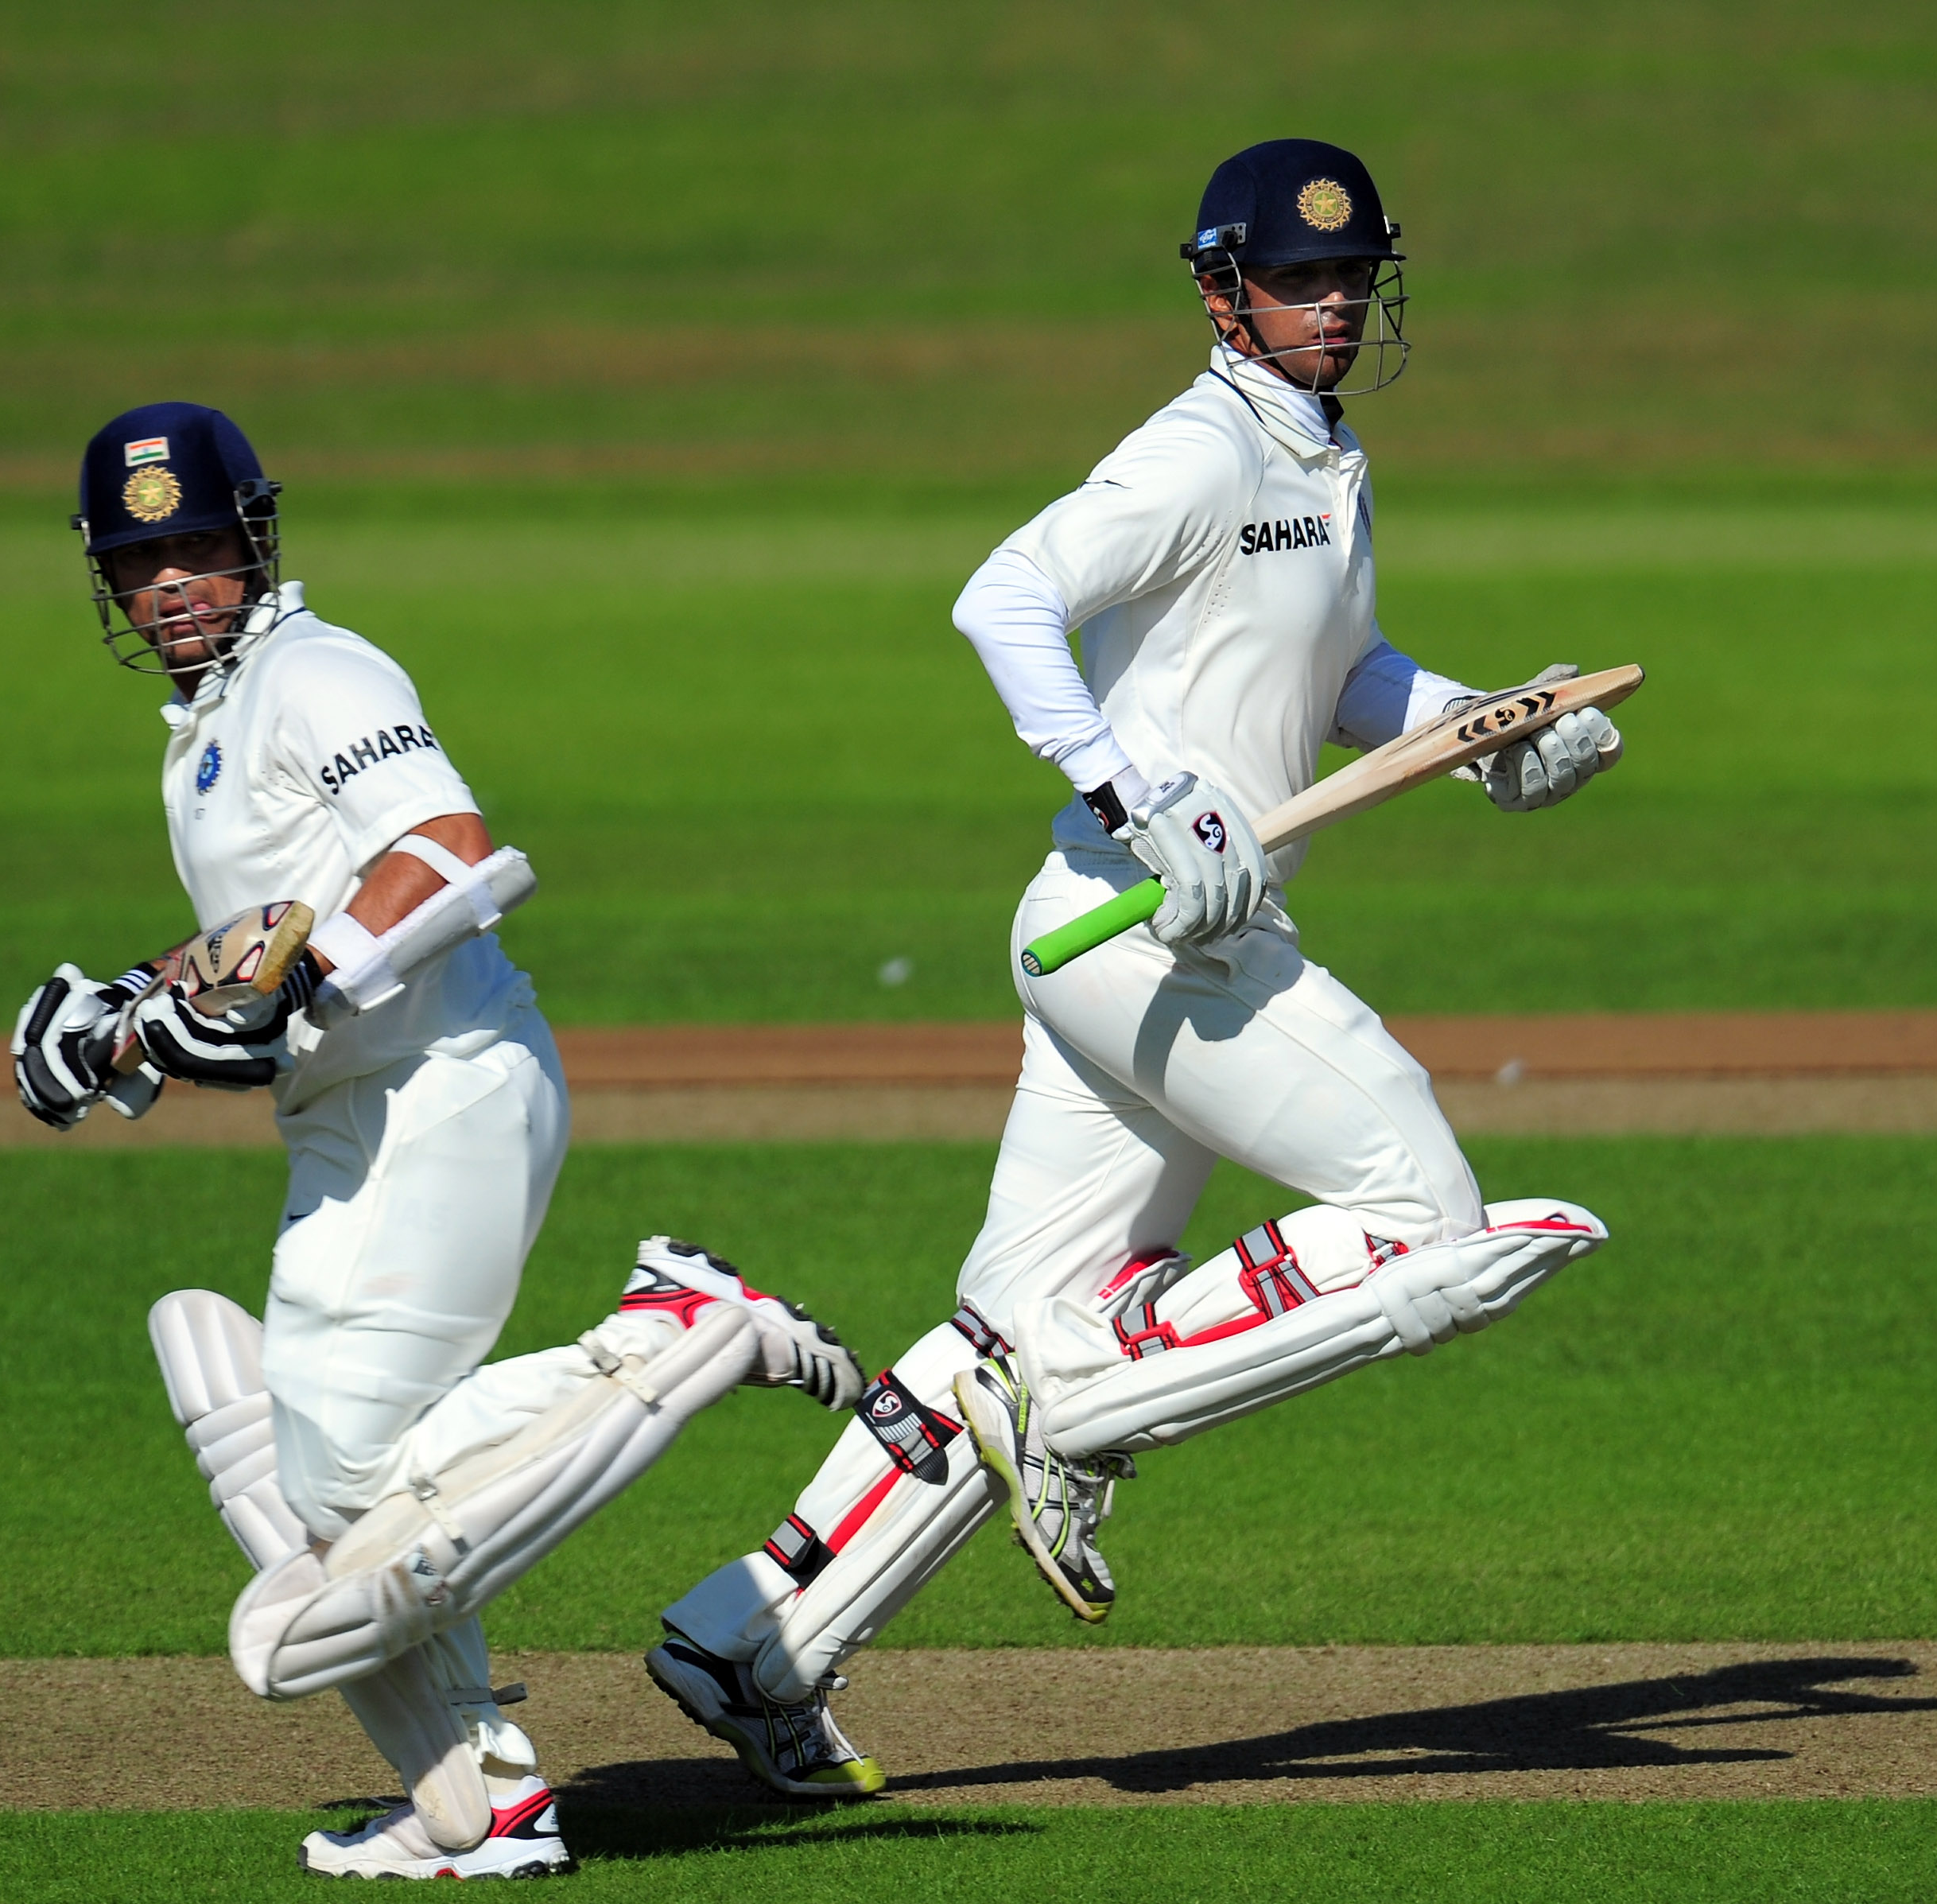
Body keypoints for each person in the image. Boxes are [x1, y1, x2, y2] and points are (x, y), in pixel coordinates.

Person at [642, 139, 1619, 1797]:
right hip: (1140, 931)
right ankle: (1094, 1411)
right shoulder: (1191, 453)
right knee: (1422, 1218)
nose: (1331, 306)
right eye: (1300, 281)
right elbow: (1000, 599)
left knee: (1009, 1321)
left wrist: (1476, 733)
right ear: (1222, 288)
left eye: (1352, 279)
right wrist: (1137, 790)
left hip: (1150, 940)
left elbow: (1337, 667)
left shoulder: (1324, 457)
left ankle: (753, 1644)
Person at [8, 402, 863, 1878]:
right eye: (143, 562)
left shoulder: (315, 673)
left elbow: (450, 849)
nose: (174, 585)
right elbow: (258, 939)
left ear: (256, 538)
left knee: (341, 1493)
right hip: (358, 1113)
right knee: (334, 1482)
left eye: (200, 546)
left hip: (443, 1087)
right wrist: (121, 1027)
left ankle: (676, 1336)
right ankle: (486, 1798)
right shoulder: (205, 733)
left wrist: (313, 981)